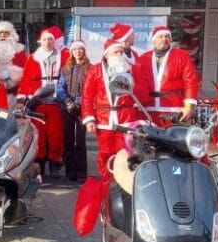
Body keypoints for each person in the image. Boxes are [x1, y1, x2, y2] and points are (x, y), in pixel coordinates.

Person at [82, 39, 146, 183]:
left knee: (124, 153)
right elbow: (87, 96)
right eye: (116, 52)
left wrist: (134, 86)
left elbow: (143, 95)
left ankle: (122, 182)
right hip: (104, 119)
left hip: (126, 119)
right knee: (105, 153)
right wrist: (89, 118)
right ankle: (106, 181)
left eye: (121, 51)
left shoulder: (132, 69)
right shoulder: (95, 70)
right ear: (107, 54)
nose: (119, 54)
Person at [17, 27, 66, 179]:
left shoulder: (63, 55)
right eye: (44, 39)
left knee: (56, 135)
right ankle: (39, 164)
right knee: (39, 135)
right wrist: (21, 99)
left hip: (56, 102)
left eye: (50, 39)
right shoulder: (33, 58)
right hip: (37, 101)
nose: (47, 42)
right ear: (40, 41)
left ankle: (55, 163)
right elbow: (25, 79)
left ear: (54, 41)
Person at [132, 26, 200, 125]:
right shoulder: (143, 59)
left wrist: (189, 106)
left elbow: (190, 81)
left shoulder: (182, 56)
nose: (164, 39)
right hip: (147, 110)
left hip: (174, 110)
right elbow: (137, 84)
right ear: (153, 40)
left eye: (167, 36)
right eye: (160, 36)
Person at [57, 39, 90, 183]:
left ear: (84, 51)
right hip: (67, 107)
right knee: (68, 140)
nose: (78, 51)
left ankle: (82, 172)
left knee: (80, 141)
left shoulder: (90, 68)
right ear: (71, 51)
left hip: (82, 108)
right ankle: (70, 172)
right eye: (75, 49)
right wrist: (67, 101)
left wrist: (78, 101)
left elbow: (90, 88)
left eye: (80, 49)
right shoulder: (65, 68)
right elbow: (59, 88)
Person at [0, 21, 27, 94]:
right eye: (0, 33)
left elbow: (25, 69)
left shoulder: (19, 50)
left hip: (15, 91)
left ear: (11, 34)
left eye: (6, 33)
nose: (3, 36)